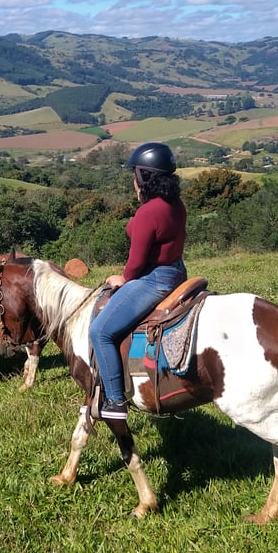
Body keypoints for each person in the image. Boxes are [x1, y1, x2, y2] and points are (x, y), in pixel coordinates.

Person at [89, 142, 188, 419]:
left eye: (135, 174)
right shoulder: (175, 204)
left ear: (145, 176)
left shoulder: (148, 211)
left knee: (101, 332)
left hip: (154, 279)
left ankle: (115, 401)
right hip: (177, 271)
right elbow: (138, 229)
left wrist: (122, 278)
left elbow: (134, 265)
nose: (133, 180)